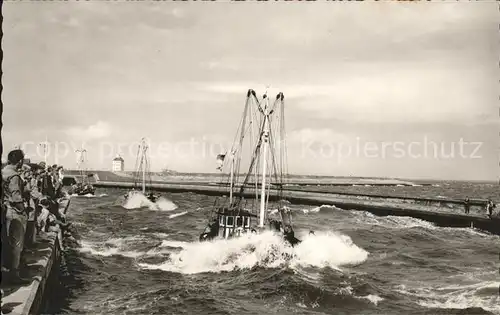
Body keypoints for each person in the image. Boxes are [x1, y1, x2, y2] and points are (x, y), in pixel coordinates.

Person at [2, 149, 31, 284]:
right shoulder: (13, 176)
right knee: (16, 245)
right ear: (19, 161)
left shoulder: (3, 172)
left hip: (5, 209)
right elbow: (16, 197)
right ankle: (15, 275)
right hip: (14, 211)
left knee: (7, 243)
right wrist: (23, 210)